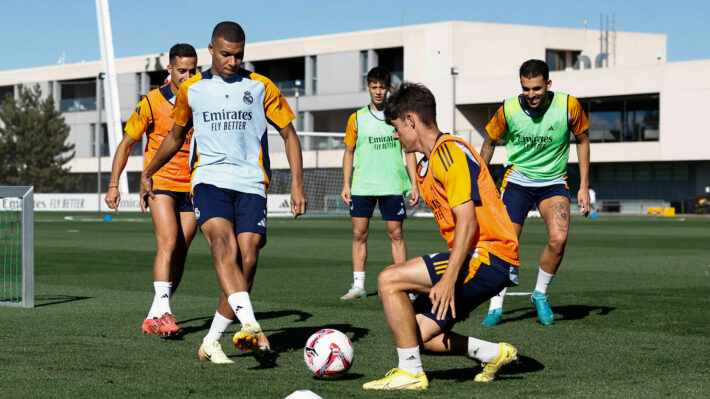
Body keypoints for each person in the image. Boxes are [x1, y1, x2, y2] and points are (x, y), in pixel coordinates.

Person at [139, 21, 307, 364]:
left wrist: (297, 185)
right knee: (220, 243)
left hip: (251, 182)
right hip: (209, 179)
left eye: (239, 55)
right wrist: (148, 171)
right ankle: (250, 323)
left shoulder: (261, 87)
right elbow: (174, 136)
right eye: (226, 54)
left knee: (248, 257)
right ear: (212, 51)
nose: (232, 61)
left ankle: (213, 339)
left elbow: (289, 134)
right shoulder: (193, 89)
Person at [362, 82, 521, 391]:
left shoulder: (449, 152)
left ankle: (410, 374)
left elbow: (468, 222)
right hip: (481, 259)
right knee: (414, 335)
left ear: (410, 120)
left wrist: (448, 279)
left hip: (488, 256)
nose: (395, 136)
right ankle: (493, 353)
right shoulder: (431, 161)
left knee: (388, 279)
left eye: (396, 127)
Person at [479, 59, 591, 327]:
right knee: (506, 243)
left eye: (537, 88)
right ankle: (496, 305)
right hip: (517, 181)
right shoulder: (508, 109)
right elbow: (489, 142)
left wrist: (584, 185)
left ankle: (539, 294)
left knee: (559, 239)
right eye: (526, 88)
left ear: (548, 84)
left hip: (553, 182)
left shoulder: (569, 105)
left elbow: (583, 140)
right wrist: (481, 185)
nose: (531, 95)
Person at [105, 43, 198, 337]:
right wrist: (113, 184)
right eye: (181, 70)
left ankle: (155, 314)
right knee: (168, 241)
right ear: (169, 70)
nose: (187, 75)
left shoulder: (202, 98)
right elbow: (125, 144)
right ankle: (166, 314)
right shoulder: (150, 102)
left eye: (192, 70)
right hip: (161, 182)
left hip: (195, 185)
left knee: (181, 251)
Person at [339, 66, 419, 300]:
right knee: (358, 234)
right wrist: (346, 184)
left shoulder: (398, 117)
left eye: (382, 87)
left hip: (392, 184)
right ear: (368, 88)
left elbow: (410, 151)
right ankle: (358, 286)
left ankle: (404, 285)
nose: (378, 92)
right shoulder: (356, 118)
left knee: (396, 234)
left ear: (388, 89)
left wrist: (413, 184)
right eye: (374, 87)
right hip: (363, 186)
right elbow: (348, 151)